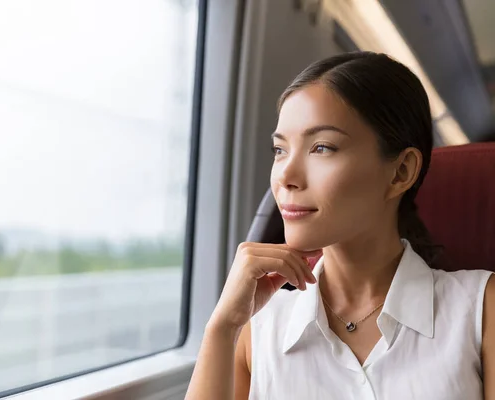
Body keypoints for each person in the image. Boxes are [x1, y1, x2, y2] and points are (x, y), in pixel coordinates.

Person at [184, 51, 495, 399]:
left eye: (321, 147)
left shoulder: (481, 309)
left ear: (401, 172)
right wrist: (222, 327)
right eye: (279, 150)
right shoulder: (255, 329)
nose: (285, 176)